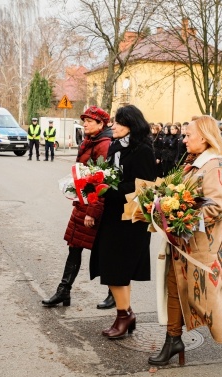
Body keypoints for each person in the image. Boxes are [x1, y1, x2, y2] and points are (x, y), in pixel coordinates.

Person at [148, 115, 222, 368]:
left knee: (207, 298)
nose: (184, 138)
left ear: (204, 137)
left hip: (204, 248)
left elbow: (217, 208)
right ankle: (173, 340)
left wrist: (180, 216)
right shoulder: (193, 164)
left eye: (189, 135)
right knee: (175, 291)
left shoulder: (215, 167)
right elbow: (178, 194)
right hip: (183, 244)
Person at [89, 104, 156, 338]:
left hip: (131, 220)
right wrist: (95, 181)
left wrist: (108, 188)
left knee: (118, 270)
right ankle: (126, 313)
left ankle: (124, 317)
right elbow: (110, 174)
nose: (113, 126)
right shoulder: (115, 146)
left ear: (131, 125)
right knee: (112, 269)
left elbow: (145, 187)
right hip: (113, 216)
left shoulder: (143, 150)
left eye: (118, 122)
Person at [42, 106, 115, 309]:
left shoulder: (104, 144)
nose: (84, 124)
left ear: (101, 124)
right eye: (84, 120)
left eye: (89, 121)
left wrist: (92, 211)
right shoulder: (90, 141)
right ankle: (64, 291)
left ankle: (114, 293)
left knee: (103, 250)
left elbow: (102, 181)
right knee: (74, 246)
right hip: (83, 203)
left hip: (94, 206)